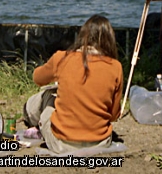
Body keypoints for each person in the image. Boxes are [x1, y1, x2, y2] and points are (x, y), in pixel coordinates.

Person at [24, 14, 123, 153]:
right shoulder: (115, 66)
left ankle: (29, 117)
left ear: (82, 36)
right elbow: (113, 115)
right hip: (101, 142)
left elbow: (38, 79)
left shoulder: (62, 58)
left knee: (47, 95)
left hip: (62, 142)